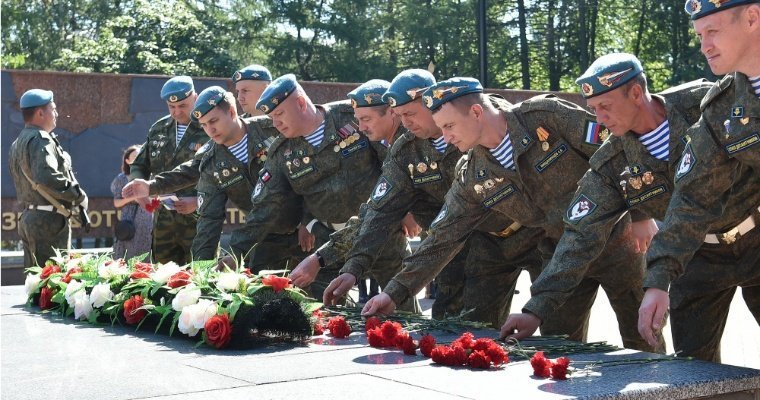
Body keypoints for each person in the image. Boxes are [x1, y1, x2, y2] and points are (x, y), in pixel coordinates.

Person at [365, 77, 656, 352]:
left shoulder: (546, 117)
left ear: (477, 111)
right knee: (561, 345)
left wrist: (641, 211)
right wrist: (394, 293)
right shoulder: (471, 174)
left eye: (450, 125)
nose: (446, 137)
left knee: (643, 337)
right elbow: (443, 236)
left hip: (619, 242)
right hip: (561, 260)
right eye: (441, 128)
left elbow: (619, 147)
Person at [500, 53, 711, 352]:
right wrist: (535, 309)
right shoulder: (611, 162)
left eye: (605, 106)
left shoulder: (702, 104)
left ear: (636, 93)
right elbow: (579, 233)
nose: (599, 119)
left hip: (753, 242)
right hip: (697, 261)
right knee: (699, 374)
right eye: (593, 109)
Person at [311, 70, 542, 327]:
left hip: (538, 234)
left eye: (410, 113)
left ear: (430, 100)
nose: (405, 123)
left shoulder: (481, 125)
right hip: (472, 249)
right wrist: (354, 267)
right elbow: (379, 213)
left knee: (557, 323)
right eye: (400, 116)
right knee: (467, 331)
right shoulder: (407, 151)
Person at [223, 74, 416, 311]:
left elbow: (393, 161)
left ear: (301, 104)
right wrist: (235, 252)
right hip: (327, 241)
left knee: (402, 312)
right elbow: (264, 208)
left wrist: (406, 209)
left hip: (381, 231)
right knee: (329, 317)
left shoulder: (352, 116)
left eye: (280, 114)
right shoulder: (281, 152)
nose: (275, 124)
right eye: (272, 117)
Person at [638, 0, 760, 362]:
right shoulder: (723, 105)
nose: (704, 45)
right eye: (699, 35)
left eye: (713, 31)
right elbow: (693, 196)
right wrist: (659, 278)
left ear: (752, 17)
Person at [287, 78, 422, 304]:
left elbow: (378, 210)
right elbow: (379, 208)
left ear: (392, 112)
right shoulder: (397, 147)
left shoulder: (410, 144)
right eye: (358, 120)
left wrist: (318, 259)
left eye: (366, 119)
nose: (360, 128)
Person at [128, 76, 209, 264]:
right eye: (171, 107)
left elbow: (220, 175)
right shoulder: (159, 129)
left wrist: (198, 202)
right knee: (163, 280)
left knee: (200, 280)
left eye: (182, 106)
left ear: (196, 98)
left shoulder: (209, 127)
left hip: (199, 220)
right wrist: (139, 190)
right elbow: (140, 165)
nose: (176, 112)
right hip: (163, 221)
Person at [9, 89, 89, 267]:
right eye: (53, 109)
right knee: (51, 284)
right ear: (39, 113)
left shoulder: (18, 142)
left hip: (30, 217)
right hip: (48, 222)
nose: (57, 113)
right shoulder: (40, 139)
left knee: (36, 282)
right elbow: (47, 176)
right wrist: (78, 195)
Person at [111, 145, 153, 260]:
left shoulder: (151, 177)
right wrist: (133, 198)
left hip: (147, 220)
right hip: (129, 220)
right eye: (134, 157)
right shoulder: (122, 178)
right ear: (127, 161)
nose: (138, 159)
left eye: (140, 156)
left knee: (146, 251)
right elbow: (117, 203)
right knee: (128, 252)